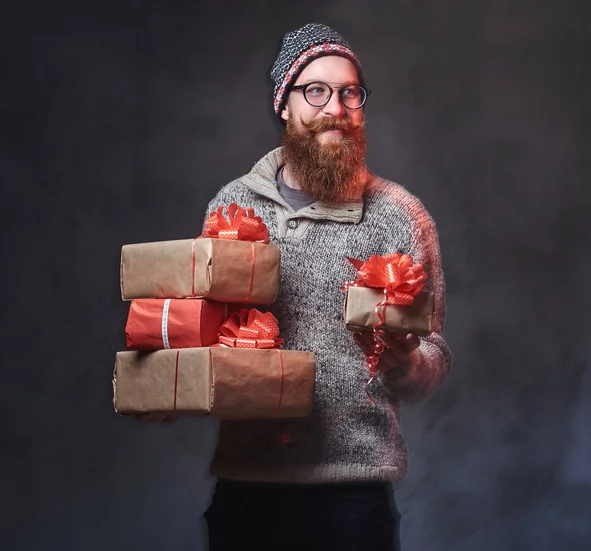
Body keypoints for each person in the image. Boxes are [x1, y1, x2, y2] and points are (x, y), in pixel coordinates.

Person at [200, 22, 452, 551]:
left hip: (352, 500)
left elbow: (434, 358)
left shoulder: (400, 216)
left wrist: (402, 360)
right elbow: (203, 332)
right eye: (315, 90)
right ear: (284, 105)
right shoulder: (230, 207)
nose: (335, 107)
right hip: (248, 490)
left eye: (349, 92)